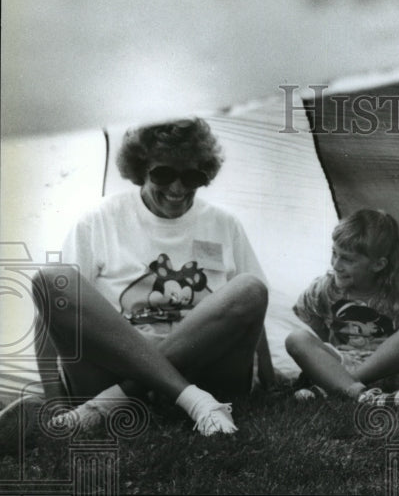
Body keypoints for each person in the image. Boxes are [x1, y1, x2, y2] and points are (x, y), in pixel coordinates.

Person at [16, 117, 271, 443]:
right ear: (140, 170)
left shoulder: (225, 224)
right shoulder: (99, 219)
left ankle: (108, 406)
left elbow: (253, 314)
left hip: (207, 368)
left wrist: (270, 383)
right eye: (163, 174)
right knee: (52, 280)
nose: (177, 188)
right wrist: (54, 404)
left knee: (250, 288)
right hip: (119, 366)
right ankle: (191, 401)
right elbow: (51, 316)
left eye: (192, 176)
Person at [284, 209, 399, 406]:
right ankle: (362, 394)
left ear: (378, 265)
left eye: (348, 259)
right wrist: (330, 349)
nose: (336, 264)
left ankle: (338, 386)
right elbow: (311, 317)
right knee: (296, 338)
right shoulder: (324, 288)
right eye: (334, 253)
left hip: (395, 369)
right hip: (344, 360)